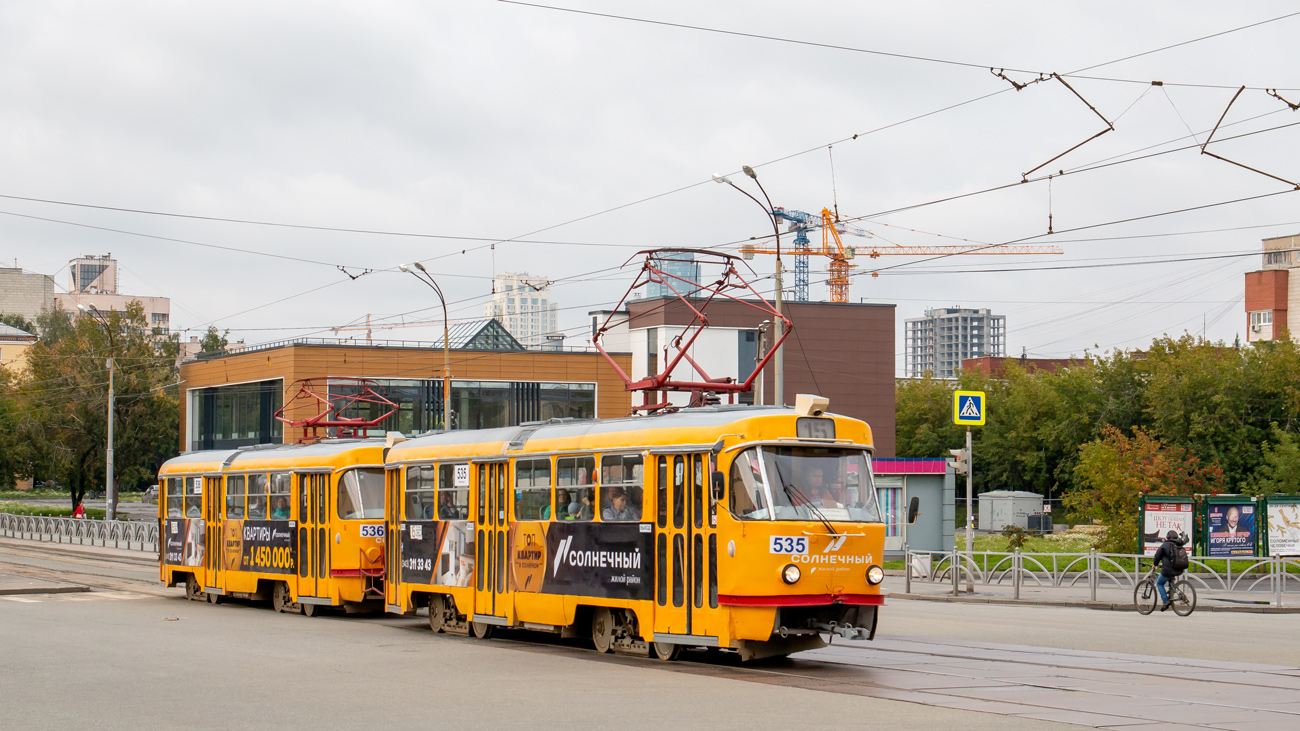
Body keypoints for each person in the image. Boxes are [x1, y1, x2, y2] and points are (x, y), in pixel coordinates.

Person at [1150, 529, 1188, 612]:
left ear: (1168, 537)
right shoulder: (1179, 543)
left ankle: (1166, 601)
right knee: (1170, 579)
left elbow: (1157, 556)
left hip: (1168, 570)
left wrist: (1155, 565)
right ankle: (1171, 594)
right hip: (1178, 569)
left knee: (1160, 583)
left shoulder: (1165, 545)